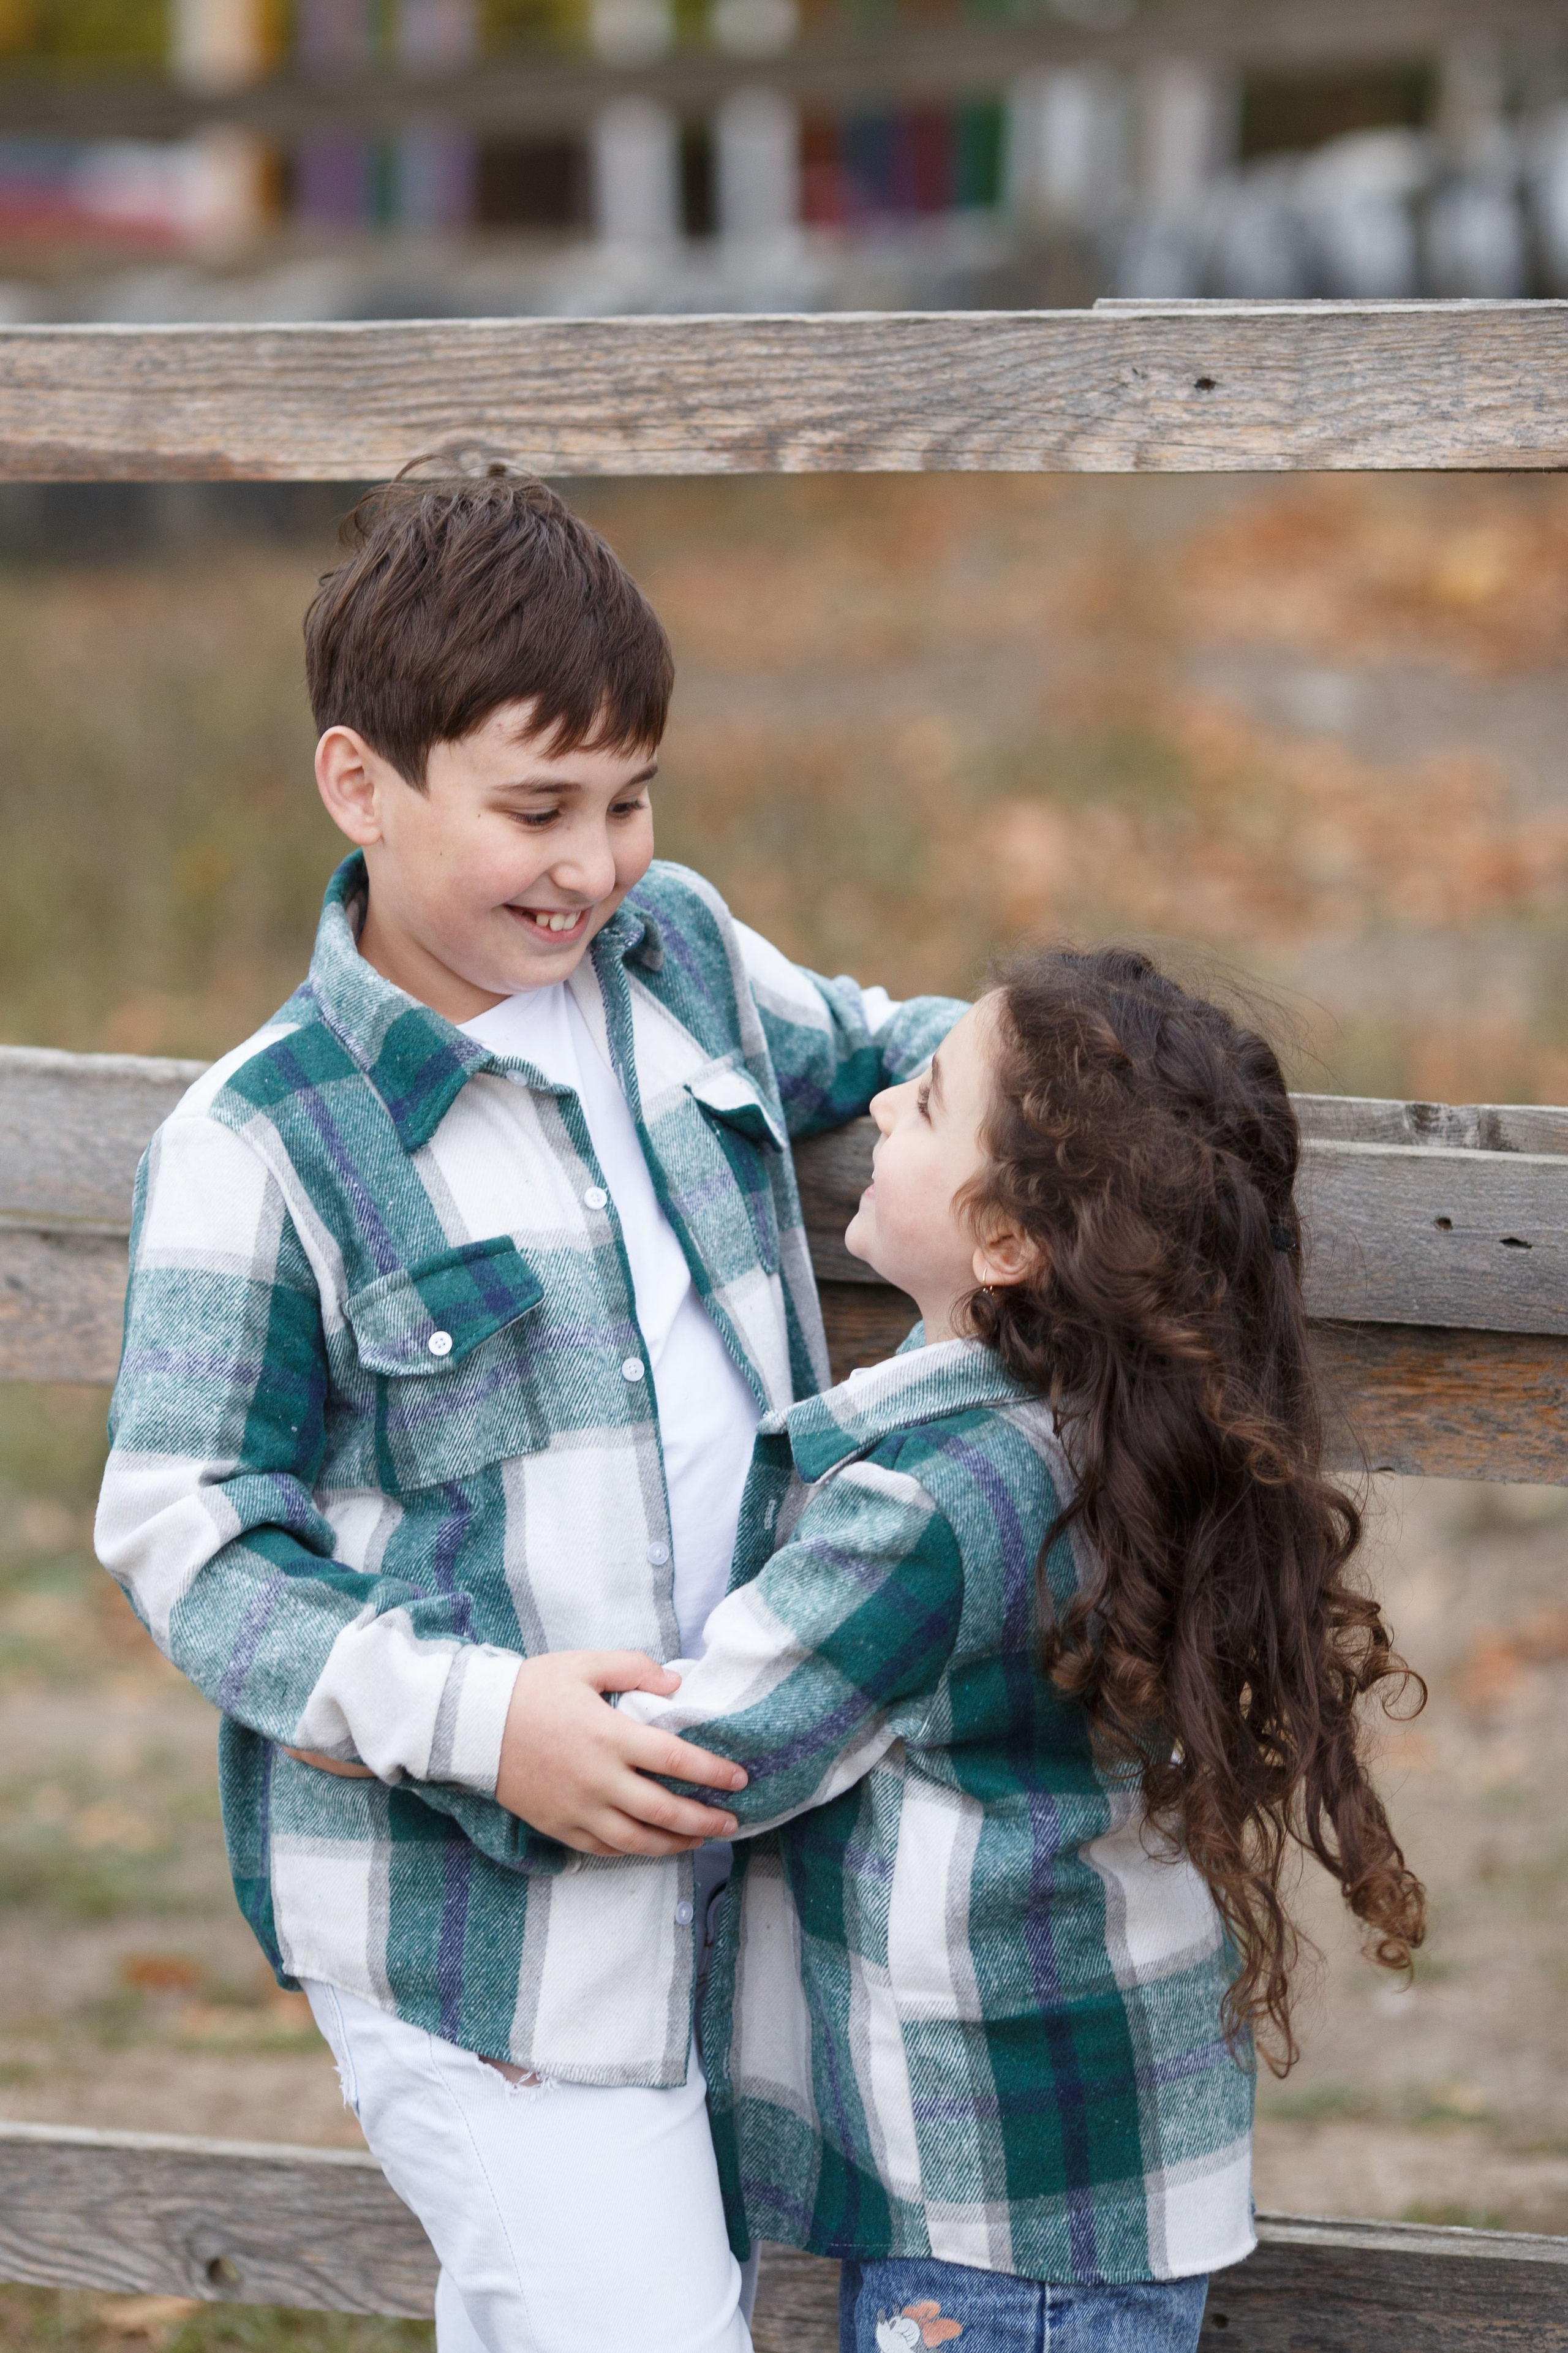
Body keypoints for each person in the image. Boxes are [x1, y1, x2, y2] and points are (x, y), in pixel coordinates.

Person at [92, 467, 966, 2353]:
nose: (595, 862)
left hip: (730, 1877)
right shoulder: (266, 1141)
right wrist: (485, 1724)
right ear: (362, 785)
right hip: (469, 1923)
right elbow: (192, 1544)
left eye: (631, 799)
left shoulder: (685, 969)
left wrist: (1076, 1079)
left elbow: (897, 1046)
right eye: (536, 810)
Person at [617, 946, 1428, 2353]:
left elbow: (710, 1754)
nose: (877, 1111)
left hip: (997, 2209)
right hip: (1083, 2172)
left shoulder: (925, 1506)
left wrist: (463, 1717)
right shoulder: (1095, 1438)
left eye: (922, 1105)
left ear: (1004, 1241)